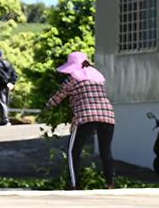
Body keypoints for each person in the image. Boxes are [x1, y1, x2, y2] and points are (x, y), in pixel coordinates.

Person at [44, 52, 116, 189]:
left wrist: (47, 108)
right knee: (105, 151)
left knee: (74, 151)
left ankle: (75, 184)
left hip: (86, 116)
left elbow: (58, 97)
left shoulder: (73, 78)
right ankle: (110, 183)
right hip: (107, 116)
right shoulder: (98, 78)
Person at [0, 48, 18, 125]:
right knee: (6, 102)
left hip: (0, 85)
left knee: (1, 102)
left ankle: (5, 120)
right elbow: (14, 74)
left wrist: (5, 82)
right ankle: (4, 119)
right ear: (1, 55)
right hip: (8, 86)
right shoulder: (8, 63)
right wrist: (11, 83)